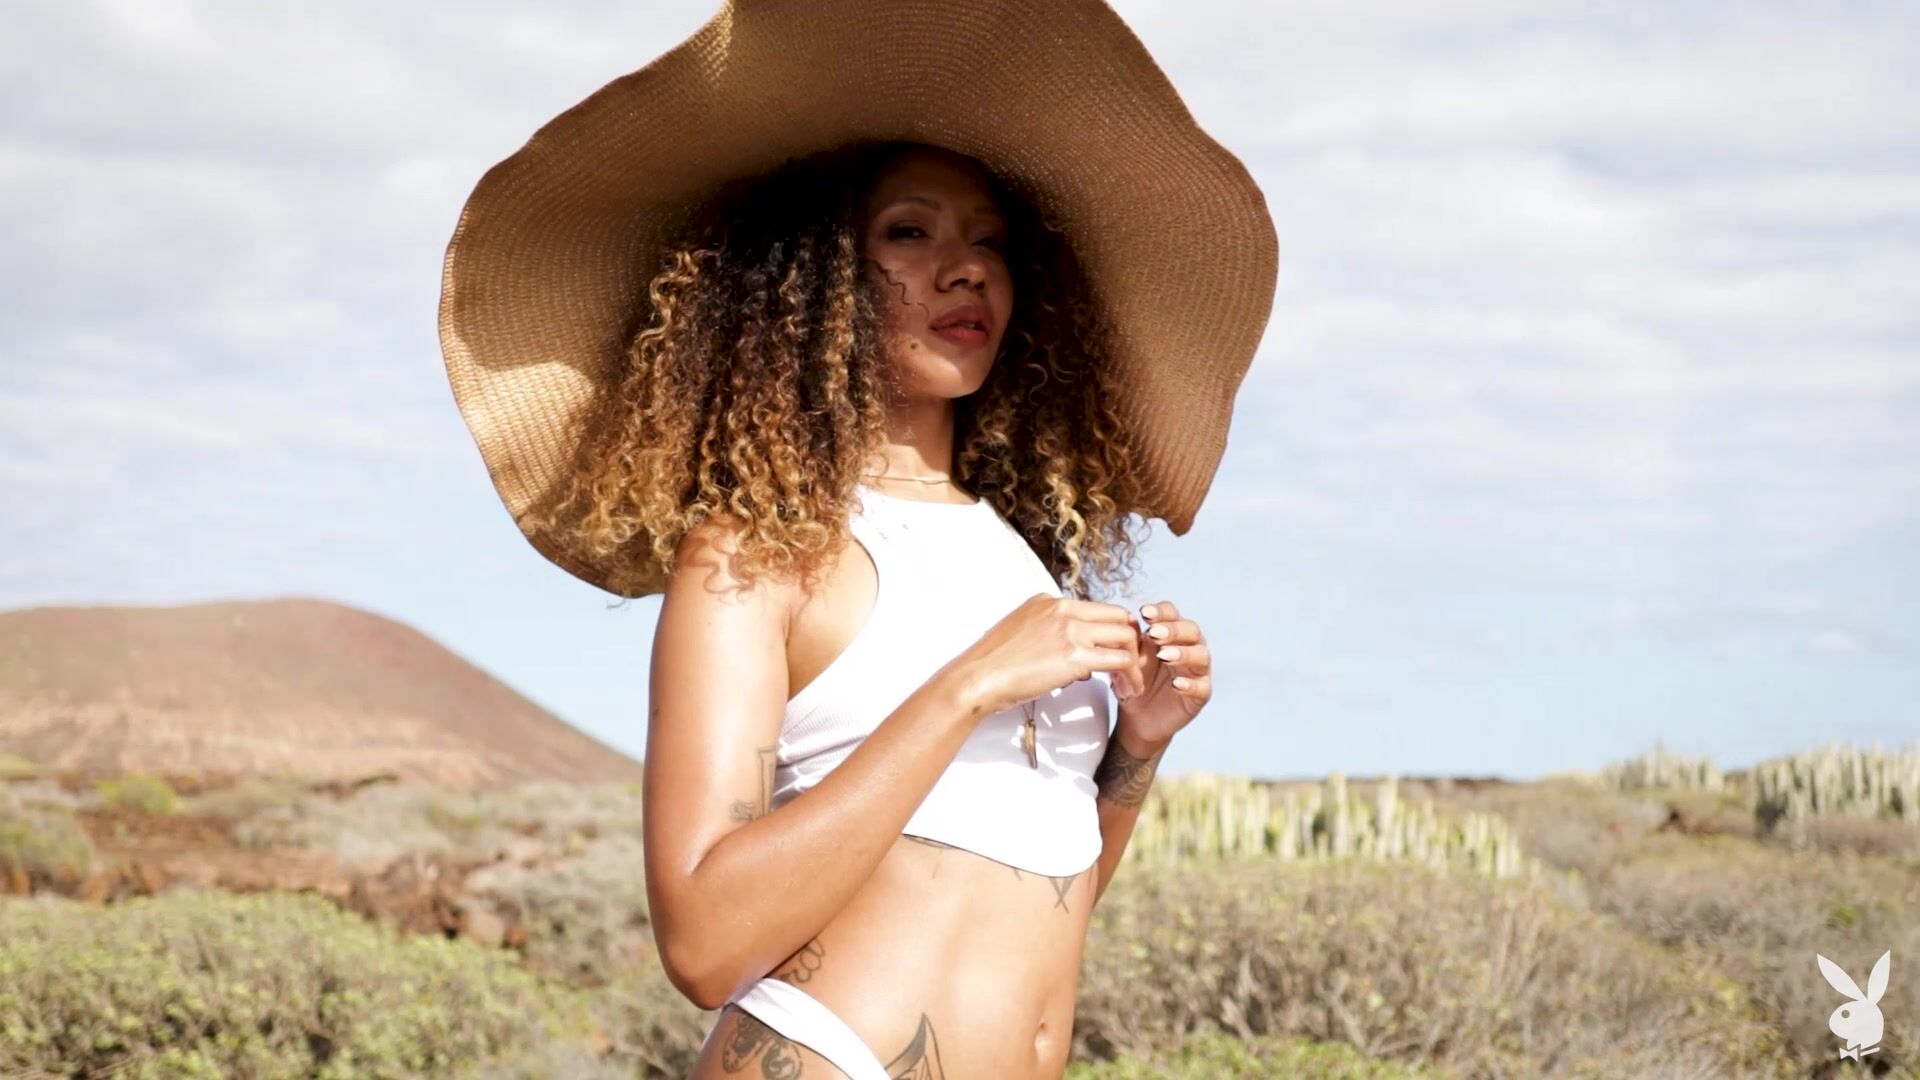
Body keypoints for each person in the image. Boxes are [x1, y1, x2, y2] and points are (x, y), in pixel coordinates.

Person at [437, 3, 1276, 1077]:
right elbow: (702, 939)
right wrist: (965, 686)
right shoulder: (755, 555)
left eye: (990, 241)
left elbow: (1038, 891)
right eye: (911, 233)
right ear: (812, 278)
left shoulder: (1019, 554)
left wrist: (1136, 749)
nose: (966, 270)